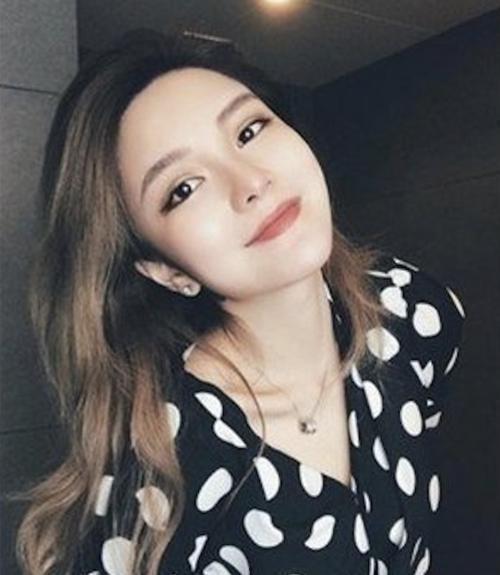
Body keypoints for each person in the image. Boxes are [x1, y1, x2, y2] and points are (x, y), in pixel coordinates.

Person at [13, 29, 465, 575]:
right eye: (183, 188)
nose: (250, 182)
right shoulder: (167, 464)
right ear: (165, 270)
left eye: (249, 130)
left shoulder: (412, 312)